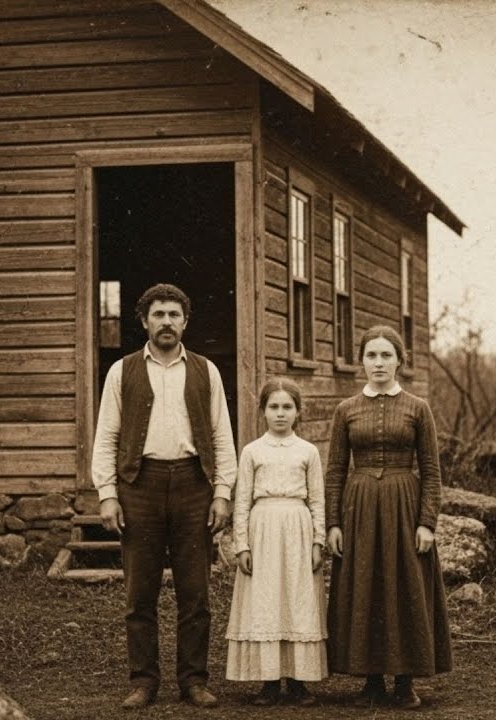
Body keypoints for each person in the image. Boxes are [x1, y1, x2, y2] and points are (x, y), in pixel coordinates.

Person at [91, 283, 237, 710]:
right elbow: (107, 437)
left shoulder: (206, 371)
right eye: (159, 315)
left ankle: (193, 680)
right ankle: (143, 682)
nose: (167, 322)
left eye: (175, 314)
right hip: (140, 485)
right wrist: (107, 494)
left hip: (194, 485)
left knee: (196, 593)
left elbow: (221, 436)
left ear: (185, 322)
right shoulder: (122, 371)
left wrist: (222, 493)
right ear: (144, 321)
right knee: (140, 594)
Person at [325, 325, 453, 709]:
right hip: (359, 506)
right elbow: (334, 470)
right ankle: (371, 681)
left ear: (400, 360)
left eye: (386, 355)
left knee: (405, 586)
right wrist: (333, 522)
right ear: (361, 361)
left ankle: (405, 681)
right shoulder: (345, 410)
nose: (378, 363)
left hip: (403, 505)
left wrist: (427, 522)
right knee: (363, 585)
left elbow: (431, 470)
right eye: (371, 355)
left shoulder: (417, 408)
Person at [225, 378, 327, 707]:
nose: (280, 414)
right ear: (263, 411)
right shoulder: (252, 451)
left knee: (297, 599)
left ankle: (298, 681)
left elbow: (317, 501)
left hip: (298, 528)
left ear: (298, 412)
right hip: (263, 529)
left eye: (287, 407)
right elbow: (241, 502)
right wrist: (242, 544)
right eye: (274, 407)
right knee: (266, 599)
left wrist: (317, 541)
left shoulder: (308, 451)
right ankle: (269, 681)